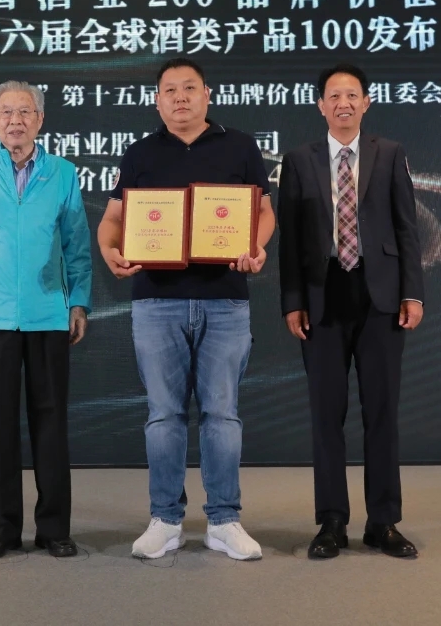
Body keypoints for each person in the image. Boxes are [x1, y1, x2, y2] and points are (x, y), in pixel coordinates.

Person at [97, 57, 275, 561]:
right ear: (158, 101)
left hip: (225, 300)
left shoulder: (240, 146)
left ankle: (224, 520)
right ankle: (165, 519)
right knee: (163, 415)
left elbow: (263, 213)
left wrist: (256, 247)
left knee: (222, 414)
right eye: (170, 90)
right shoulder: (140, 153)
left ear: (207, 95)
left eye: (189, 88)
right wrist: (110, 249)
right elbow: (113, 220)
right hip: (156, 300)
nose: (180, 97)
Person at [278, 63, 425, 560]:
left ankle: (383, 522)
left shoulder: (391, 154)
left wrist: (412, 293)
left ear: (366, 102)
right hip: (322, 299)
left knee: (382, 412)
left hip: (380, 297)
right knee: (327, 415)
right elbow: (290, 241)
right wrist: (293, 301)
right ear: (320, 105)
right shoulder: (299, 160)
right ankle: (332, 522)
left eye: (352, 95)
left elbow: (407, 229)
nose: (343, 103)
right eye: (334, 96)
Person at [0, 80, 92, 561]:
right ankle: (2, 530)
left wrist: (78, 302)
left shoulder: (63, 173)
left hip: (48, 315)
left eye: (25, 112)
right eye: (6, 112)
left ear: (40, 119)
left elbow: (77, 246)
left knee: (51, 424)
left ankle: (54, 529)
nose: (15, 121)